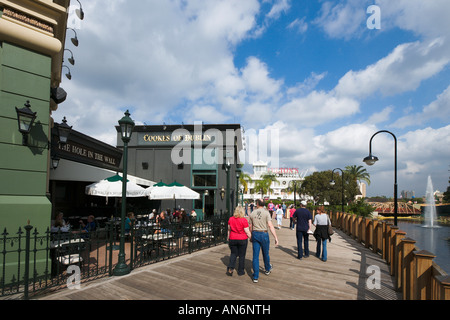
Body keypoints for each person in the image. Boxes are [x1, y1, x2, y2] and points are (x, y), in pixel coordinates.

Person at [248, 199, 279, 283]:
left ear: (257, 204)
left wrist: (250, 236)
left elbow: (250, 226)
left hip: (255, 234)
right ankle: (267, 268)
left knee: (255, 256)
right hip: (264, 233)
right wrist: (275, 237)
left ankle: (255, 276)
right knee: (265, 253)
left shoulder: (252, 213)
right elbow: (270, 225)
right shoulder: (266, 213)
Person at [227, 206, 252, 276]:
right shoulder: (244, 220)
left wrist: (228, 237)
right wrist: (251, 238)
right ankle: (240, 271)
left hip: (232, 238)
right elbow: (247, 231)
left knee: (233, 254)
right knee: (242, 255)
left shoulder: (231, 219)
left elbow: (229, 229)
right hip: (242, 239)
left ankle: (231, 268)